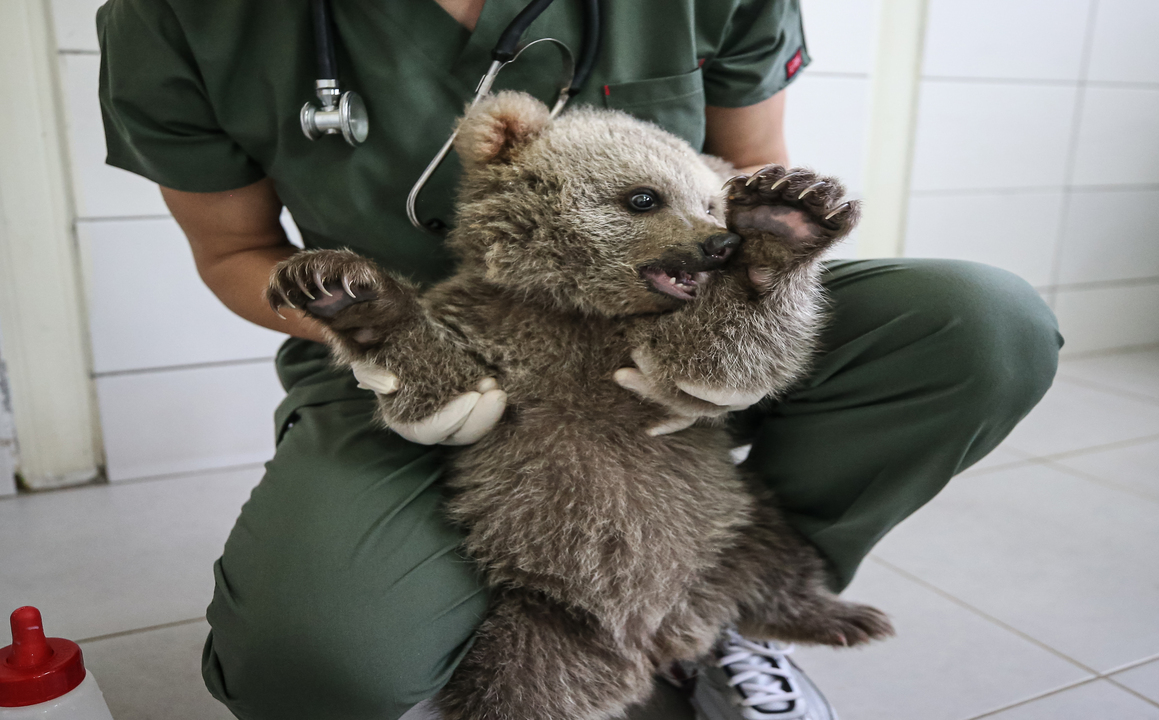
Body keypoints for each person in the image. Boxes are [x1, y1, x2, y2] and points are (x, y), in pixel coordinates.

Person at [96, 1, 1062, 718]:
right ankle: (531, 608)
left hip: (676, 315)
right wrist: (392, 335)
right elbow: (234, 253)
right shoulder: (184, 13)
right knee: (315, 666)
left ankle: (708, 606)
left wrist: (741, 287)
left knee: (982, 322)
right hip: (411, 349)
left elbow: (745, 182)